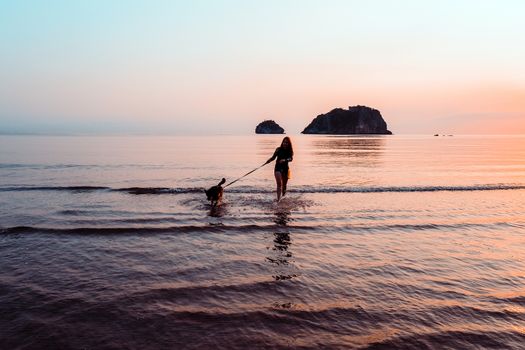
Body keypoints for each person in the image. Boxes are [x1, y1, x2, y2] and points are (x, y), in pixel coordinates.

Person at [265, 136, 294, 201]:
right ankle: (278, 199)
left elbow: (291, 159)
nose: (285, 143)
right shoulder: (278, 149)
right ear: (282, 142)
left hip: (286, 169)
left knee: (284, 185)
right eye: (284, 142)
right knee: (279, 183)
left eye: (287, 142)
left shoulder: (290, 151)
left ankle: (283, 197)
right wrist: (268, 161)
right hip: (278, 168)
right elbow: (273, 158)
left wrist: (284, 160)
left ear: (289, 144)